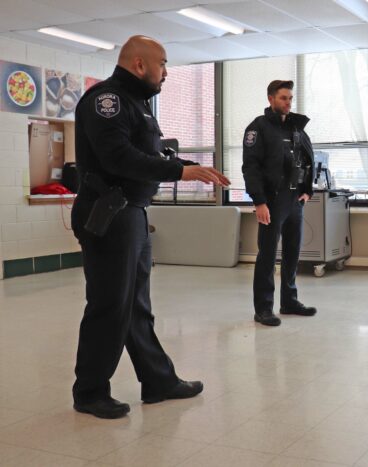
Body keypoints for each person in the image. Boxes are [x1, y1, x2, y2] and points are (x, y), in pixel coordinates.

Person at [71, 36, 230, 419]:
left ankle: (158, 380)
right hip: (109, 215)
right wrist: (179, 171)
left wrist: (189, 165)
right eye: (163, 64)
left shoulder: (136, 105)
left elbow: (151, 153)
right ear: (139, 65)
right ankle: (89, 392)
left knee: (136, 306)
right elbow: (119, 157)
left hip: (133, 213)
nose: (167, 73)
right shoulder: (105, 101)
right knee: (110, 305)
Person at [242, 79, 318, 326]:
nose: (288, 102)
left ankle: (289, 301)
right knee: (267, 255)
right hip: (272, 202)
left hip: (294, 200)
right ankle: (263, 308)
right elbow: (250, 168)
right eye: (283, 98)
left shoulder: (296, 128)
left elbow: (308, 159)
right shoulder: (258, 128)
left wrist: (307, 190)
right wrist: (259, 202)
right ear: (271, 99)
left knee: (293, 252)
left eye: (290, 98)